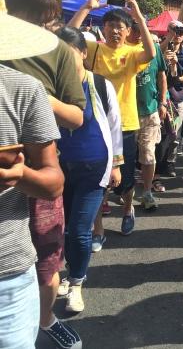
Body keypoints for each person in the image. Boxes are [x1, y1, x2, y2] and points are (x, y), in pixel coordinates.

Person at [3, 0, 85, 349]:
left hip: (39, 166)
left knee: (47, 264)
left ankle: (45, 319)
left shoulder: (59, 53)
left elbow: (77, 115)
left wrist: (36, 95)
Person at [68, 0, 156, 236]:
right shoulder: (94, 49)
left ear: (128, 31)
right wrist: (87, 6)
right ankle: (98, 229)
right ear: (102, 29)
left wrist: (138, 16)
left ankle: (128, 209)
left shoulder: (131, 53)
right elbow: (67, 37)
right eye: (111, 26)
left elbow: (150, 52)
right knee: (98, 177)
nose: (115, 30)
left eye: (121, 27)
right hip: (95, 122)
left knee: (125, 178)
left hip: (126, 124)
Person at [53, 26, 123, 314]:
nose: (65, 61)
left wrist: (117, 164)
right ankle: (64, 274)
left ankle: (76, 282)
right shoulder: (51, 85)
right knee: (62, 229)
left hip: (94, 166)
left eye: (70, 54)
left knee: (80, 231)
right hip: (58, 167)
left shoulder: (100, 84)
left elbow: (114, 124)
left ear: (83, 53)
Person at [131, 22, 168, 210]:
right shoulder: (123, 50)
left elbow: (162, 76)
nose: (139, 34)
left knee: (148, 154)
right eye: (135, 29)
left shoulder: (154, 50)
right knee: (125, 157)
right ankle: (123, 191)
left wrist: (163, 102)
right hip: (126, 113)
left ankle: (147, 192)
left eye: (142, 29)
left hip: (150, 111)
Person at [159, 20, 183, 177]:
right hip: (161, 97)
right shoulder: (162, 48)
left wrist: (176, 70)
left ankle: (170, 162)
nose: (178, 35)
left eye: (181, 33)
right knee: (160, 133)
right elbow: (152, 59)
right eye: (174, 31)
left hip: (178, 98)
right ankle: (157, 163)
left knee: (175, 134)